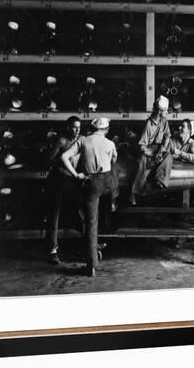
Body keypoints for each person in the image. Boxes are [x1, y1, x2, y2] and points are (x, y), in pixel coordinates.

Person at [61, 117, 119, 277]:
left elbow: (64, 157)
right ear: (106, 130)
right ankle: (114, 200)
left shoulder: (84, 141)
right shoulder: (110, 143)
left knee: (91, 223)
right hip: (106, 183)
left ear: (93, 129)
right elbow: (114, 160)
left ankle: (91, 265)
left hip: (90, 183)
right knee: (114, 178)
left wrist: (76, 175)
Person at [45, 116, 83, 265]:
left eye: (79, 127)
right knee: (54, 216)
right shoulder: (61, 141)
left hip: (73, 182)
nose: (76, 130)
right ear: (68, 127)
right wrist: (62, 164)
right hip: (58, 181)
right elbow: (48, 159)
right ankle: (52, 251)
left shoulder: (81, 139)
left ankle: (88, 244)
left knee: (80, 212)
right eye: (74, 127)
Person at [129, 95, 172, 205]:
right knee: (142, 162)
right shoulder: (148, 124)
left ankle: (160, 181)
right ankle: (135, 192)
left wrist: (161, 151)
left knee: (168, 155)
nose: (167, 112)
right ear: (159, 111)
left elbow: (167, 136)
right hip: (148, 149)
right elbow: (142, 146)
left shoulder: (164, 121)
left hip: (158, 149)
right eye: (165, 110)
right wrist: (152, 154)